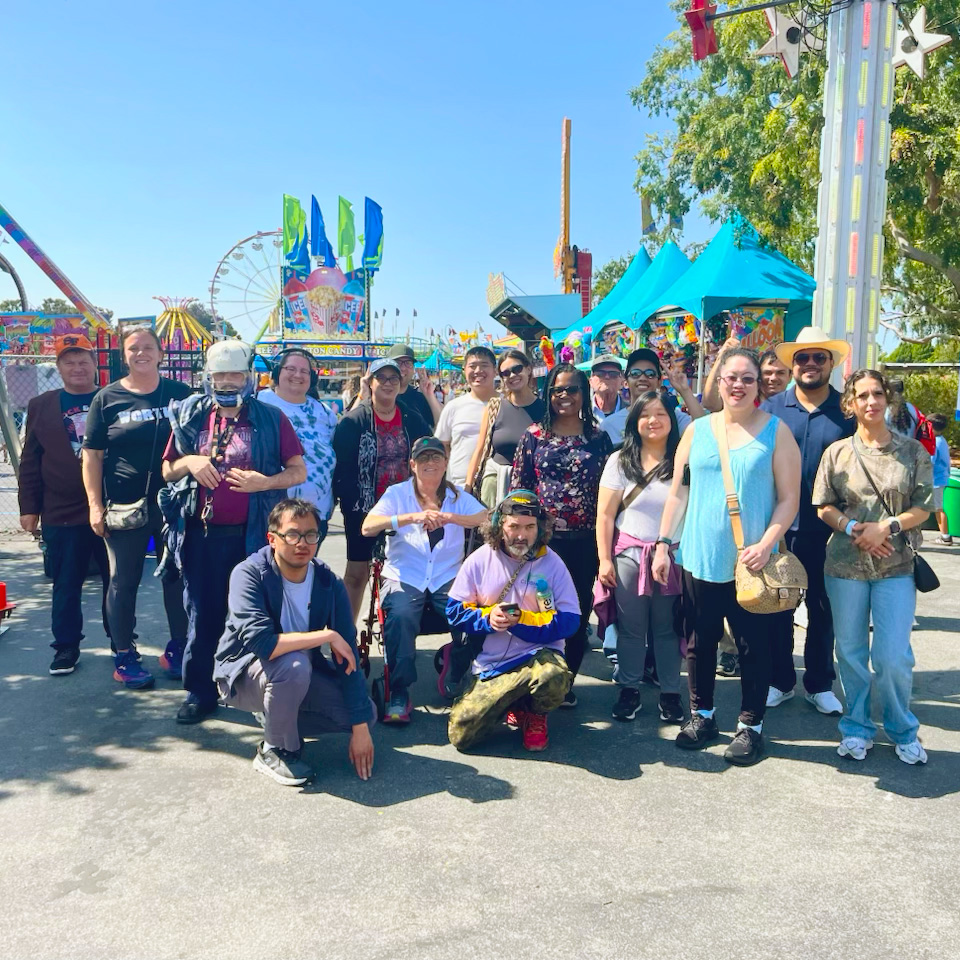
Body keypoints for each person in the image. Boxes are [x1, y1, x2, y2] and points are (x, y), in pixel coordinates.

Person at [653, 347, 801, 766]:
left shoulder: (776, 432)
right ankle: (702, 714)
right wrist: (664, 543)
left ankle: (751, 725)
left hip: (751, 563)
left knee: (755, 645)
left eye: (747, 378)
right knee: (699, 641)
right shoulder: (697, 432)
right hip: (699, 556)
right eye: (730, 377)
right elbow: (679, 492)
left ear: (759, 385)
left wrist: (768, 542)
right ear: (718, 382)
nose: (737, 385)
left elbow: (789, 498)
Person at [161, 340, 306, 724]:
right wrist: (190, 461)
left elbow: (298, 472)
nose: (227, 382)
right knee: (203, 614)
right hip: (201, 534)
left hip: (255, 535)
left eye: (235, 374)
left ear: (249, 376)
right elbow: (167, 470)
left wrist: (265, 482)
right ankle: (199, 691)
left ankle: (258, 693)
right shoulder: (192, 415)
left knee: (256, 615)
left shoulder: (272, 418)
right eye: (219, 374)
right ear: (209, 376)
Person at [813, 369, 934, 765]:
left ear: (888, 400)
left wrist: (887, 526)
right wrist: (852, 527)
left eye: (877, 394)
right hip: (844, 566)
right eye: (862, 395)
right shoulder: (838, 452)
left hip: (896, 566)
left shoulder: (912, 451)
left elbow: (924, 506)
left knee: (892, 656)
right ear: (850, 403)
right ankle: (857, 726)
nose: (871, 402)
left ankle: (902, 727)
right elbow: (823, 504)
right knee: (849, 651)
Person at [215, 499, 376, 786]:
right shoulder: (248, 574)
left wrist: (361, 728)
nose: (302, 543)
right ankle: (273, 749)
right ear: (272, 539)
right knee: (295, 664)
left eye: (310, 535)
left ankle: (276, 714)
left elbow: (347, 655)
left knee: (365, 714)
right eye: (292, 534)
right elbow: (263, 644)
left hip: (294, 676)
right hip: (243, 677)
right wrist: (327, 636)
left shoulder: (327, 582)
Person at [81, 326, 191, 689]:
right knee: (123, 581)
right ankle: (124, 654)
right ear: (123, 356)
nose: (140, 353)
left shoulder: (180, 394)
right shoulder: (107, 398)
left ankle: (178, 647)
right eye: (132, 349)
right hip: (125, 504)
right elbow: (92, 457)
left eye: (148, 347)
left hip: (173, 504)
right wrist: (95, 506)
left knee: (175, 578)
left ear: (161, 354)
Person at [361, 437, 488, 721]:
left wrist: (451, 517)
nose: (431, 463)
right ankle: (400, 690)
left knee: (473, 616)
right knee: (402, 615)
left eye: (436, 458)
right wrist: (410, 518)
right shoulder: (396, 494)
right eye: (424, 458)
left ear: (445, 464)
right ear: (412, 464)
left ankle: (455, 668)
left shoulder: (457, 497)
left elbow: (486, 517)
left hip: (447, 576)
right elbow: (368, 527)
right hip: (405, 575)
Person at [760, 327, 852, 715]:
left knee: (823, 609)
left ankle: (818, 683)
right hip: (778, 529)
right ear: (791, 364)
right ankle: (781, 680)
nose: (810, 364)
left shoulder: (847, 412)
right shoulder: (771, 409)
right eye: (802, 357)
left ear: (831, 363)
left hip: (831, 531)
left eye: (819, 357)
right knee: (778, 608)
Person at [445, 491, 580, 751]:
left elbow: (570, 621)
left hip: (537, 656)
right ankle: (512, 704)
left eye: (530, 527)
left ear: (540, 528)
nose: (521, 535)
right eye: (514, 526)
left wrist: (520, 620)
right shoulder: (480, 559)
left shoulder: (552, 563)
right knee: (461, 736)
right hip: (490, 663)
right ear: (499, 526)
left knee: (554, 676)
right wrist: (488, 617)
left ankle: (535, 714)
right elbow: (453, 611)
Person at [511, 362, 613, 706]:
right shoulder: (534, 436)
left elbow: (608, 491)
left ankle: (565, 680)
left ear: (584, 393)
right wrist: (520, 537)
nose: (564, 396)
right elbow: (520, 488)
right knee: (540, 607)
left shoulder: (598, 438)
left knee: (577, 611)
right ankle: (537, 677)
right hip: (543, 545)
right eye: (557, 390)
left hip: (585, 542)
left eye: (572, 389)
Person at [18, 335, 112, 676]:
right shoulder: (41, 405)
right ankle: (65, 647)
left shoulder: (113, 398)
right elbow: (30, 459)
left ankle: (121, 642)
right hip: (62, 511)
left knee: (116, 581)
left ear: (94, 363)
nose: (77, 367)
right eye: (69, 361)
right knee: (66, 583)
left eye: (83, 360)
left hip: (111, 508)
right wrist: (29, 507)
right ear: (58, 367)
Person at [597, 391, 685, 724]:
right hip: (629, 555)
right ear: (635, 421)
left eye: (661, 413)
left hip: (673, 557)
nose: (653, 420)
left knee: (668, 630)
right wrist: (605, 560)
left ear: (671, 420)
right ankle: (629, 689)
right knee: (631, 629)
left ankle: (671, 694)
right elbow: (605, 516)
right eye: (645, 414)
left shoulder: (682, 461)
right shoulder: (619, 461)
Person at [333, 357, 432, 618]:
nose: (388, 384)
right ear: (371, 382)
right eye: (382, 378)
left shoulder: (412, 419)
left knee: (404, 572)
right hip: (363, 510)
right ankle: (344, 635)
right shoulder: (353, 421)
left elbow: (429, 454)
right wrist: (353, 508)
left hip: (405, 509)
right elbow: (342, 470)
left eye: (394, 379)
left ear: (401, 385)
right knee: (357, 573)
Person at [257, 348, 338, 544]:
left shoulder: (324, 412)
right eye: (290, 369)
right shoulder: (258, 404)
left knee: (304, 572)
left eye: (304, 371)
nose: (297, 375)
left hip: (316, 515)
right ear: (277, 373)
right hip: (272, 515)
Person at [465, 348, 545, 507]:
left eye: (517, 369)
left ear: (528, 369)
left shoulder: (546, 410)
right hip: (494, 487)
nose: (512, 376)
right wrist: (467, 489)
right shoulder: (494, 407)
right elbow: (480, 450)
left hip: (532, 488)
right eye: (506, 373)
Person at [600, 348, 706, 445]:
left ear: (659, 382)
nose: (642, 378)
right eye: (635, 373)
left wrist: (685, 391)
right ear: (626, 382)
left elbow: (703, 432)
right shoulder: (609, 425)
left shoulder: (673, 417)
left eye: (650, 373)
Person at [434, 346, 497, 487]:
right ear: (464, 371)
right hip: (459, 486)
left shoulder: (507, 405)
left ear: (495, 370)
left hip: (497, 485)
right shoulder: (453, 406)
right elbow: (442, 445)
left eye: (484, 365)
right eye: (472, 366)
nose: (478, 371)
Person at [387, 343, 442, 426]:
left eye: (408, 363)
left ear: (413, 369)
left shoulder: (420, 397)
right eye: (398, 363)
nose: (403, 368)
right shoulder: (379, 395)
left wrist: (429, 395)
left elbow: (444, 426)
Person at [929, 413, 952, 545]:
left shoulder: (935, 442)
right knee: (937, 507)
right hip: (941, 479)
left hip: (936, 480)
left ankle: (945, 536)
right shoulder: (942, 440)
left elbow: (931, 461)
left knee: (938, 508)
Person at [589, 354, 626, 422]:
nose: (607, 377)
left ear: (621, 383)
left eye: (613, 374)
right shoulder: (581, 411)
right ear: (591, 382)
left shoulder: (632, 413)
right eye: (600, 374)